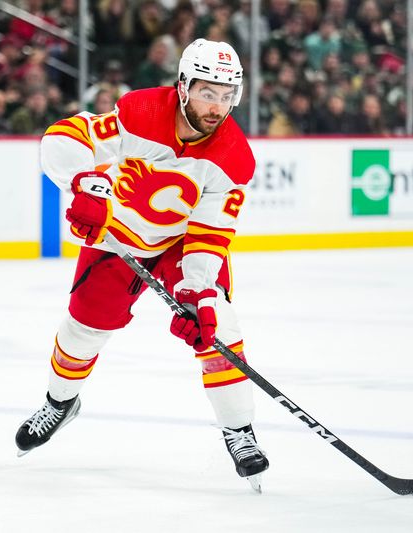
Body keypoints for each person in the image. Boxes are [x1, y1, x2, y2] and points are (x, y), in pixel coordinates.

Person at [15, 38, 269, 490]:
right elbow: (63, 137)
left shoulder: (234, 156)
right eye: (208, 92)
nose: (218, 106)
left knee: (219, 327)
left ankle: (239, 430)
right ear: (184, 86)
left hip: (180, 244)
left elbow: (210, 233)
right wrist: (86, 184)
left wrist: (197, 290)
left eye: (228, 95)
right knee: (83, 328)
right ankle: (61, 403)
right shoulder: (140, 112)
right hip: (118, 235)